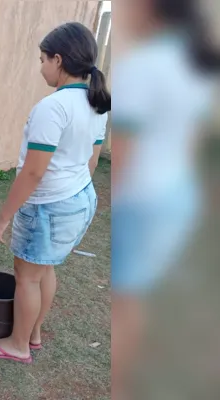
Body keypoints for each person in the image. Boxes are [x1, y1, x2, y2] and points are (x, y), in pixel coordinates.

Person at [0, 22, 111, 363]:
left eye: (42, 60)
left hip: (49, 205)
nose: (41, 68)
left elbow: (34, 171)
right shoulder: (95, 102)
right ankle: (33, 334)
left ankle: (18, 345)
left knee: (27, 276)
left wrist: (3, 216)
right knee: (45, 269)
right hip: (79, 197)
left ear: (59, 59)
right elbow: (92, 160)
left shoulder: (53, 107)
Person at [110, 0, 218, 397]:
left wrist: (115, 207)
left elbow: (123, 153)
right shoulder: (198, 62)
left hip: (142, 202)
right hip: (178, 193)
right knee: (146, 297)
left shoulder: (143, 65)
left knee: (126, 303)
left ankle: (120, 386)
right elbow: (192, 140)